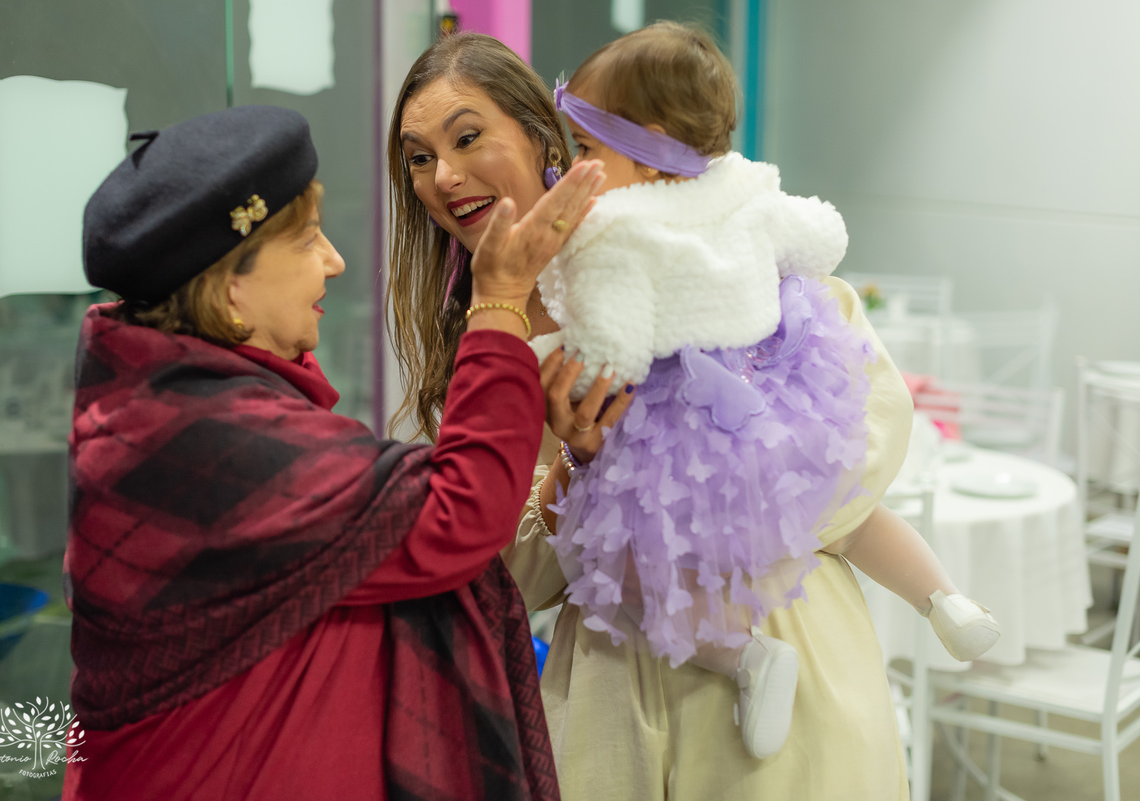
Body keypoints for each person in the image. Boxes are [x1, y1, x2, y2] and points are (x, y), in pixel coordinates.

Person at [384, 30, 971, 800]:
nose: (444, 176)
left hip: (788, 671)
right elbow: (503, 583)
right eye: (419, 158)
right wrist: (578, 466)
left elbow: (871, 433)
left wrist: (723, 510)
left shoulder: (731, 264)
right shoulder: (483, 348)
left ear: (544, 137)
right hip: (612, 705)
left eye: (467, 138)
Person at [61, 103, 604, 801]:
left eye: (469, 138)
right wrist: (497, 300)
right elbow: (462, 512)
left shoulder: (163, 401)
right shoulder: (199, 442)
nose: (336, 261)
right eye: (310, 239)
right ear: (232, 291)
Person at [527, 21, 1002, 762]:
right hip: (770, 400)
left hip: (673, 433)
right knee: (852, 516)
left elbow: (611, 345)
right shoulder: (747, 192)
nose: (575, 172)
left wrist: (574, 362)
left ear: (646, 147)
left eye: (587, 149)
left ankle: (742, 655)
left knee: (625, 563)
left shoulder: (612, 232)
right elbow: (819, 238)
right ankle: (944, 596)